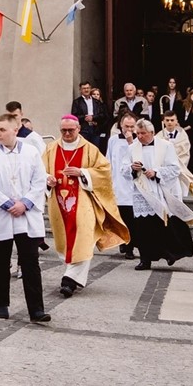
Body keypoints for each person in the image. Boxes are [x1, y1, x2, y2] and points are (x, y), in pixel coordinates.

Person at [43, 114, 129, 297]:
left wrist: (82, 172)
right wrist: (46, 179)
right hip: (58, 203)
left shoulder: (90, 149)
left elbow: (104, 171)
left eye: (70, 130)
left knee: (84, 236)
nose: (66, 133)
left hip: (84, 202)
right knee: (65, 240)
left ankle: (69, 281)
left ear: (78, 129)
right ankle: (72, 275)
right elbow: (39, 171)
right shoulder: (51, 149)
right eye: (63, 130)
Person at [0, 113, 50, 323]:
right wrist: (9, 204)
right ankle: (1, 303)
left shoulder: (31, 152)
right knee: (0, 260)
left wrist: (25, 203)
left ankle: (36, 309)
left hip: (26, 215)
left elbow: (39, 180)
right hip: (1, 213)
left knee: (30, 261)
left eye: (2, 130)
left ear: (15, 130)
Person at [127, 118, 193, 270]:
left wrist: (156, 172)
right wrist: (132, 168)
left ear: (152, 133)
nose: (139, 136)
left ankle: (170, 254)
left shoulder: (166, 146)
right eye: (137, 133)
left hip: (161, 190)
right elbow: (123, 168)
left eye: (143, 133)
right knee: (143, 227)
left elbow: (174, 168)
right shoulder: (132, 147)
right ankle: (145, 259)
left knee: (163, 225)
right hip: (142, 192)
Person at [107, 112, 140, 258]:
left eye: (132, 126)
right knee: (121, 218)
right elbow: (109, 160)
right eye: (126, 126)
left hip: (133, 184)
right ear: (120, 125)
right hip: (118, 183)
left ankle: (130, 248)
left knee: (132, 219)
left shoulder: (139, 140)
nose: (129, 129)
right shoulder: (113, 140)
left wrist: (130, 142)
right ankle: (123, 242)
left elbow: (138, 157)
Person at [157, 112, 193, 194]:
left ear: (176, 121)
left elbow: (185, 151)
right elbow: (157, 152)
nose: (169, 122)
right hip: (165, 169)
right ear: (163, 122)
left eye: (172, 120)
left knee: (178, 194)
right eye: (167, 120)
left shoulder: (182, 135)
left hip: (178, 167)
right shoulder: (159, 136)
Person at [70, 81, 103, 148]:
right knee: (83, 149)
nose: (86, 90)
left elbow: (102, 115)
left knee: (95, 149)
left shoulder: (96, 101)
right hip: (83, 130)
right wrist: (84, 117)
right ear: (80, 90)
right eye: (84, 88)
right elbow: (74, 116)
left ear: (90, 89)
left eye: (88, 88)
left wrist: (93, 117)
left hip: (95, 129)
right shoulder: (77, 102)